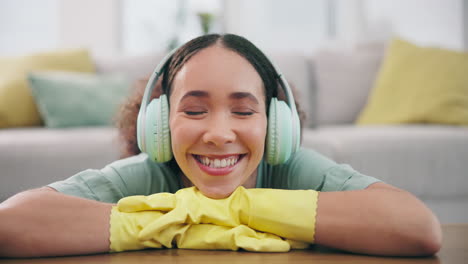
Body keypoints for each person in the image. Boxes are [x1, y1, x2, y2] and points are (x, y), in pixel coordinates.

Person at [0, 34, 441, 258]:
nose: (218, 133)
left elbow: (418, 228)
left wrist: (226, 210)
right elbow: (10, 225)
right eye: (194, 111)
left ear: (276, 125)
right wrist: (182, 217)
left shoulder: (291, 167)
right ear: (159, 123)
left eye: (244, 111)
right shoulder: (149, 174)